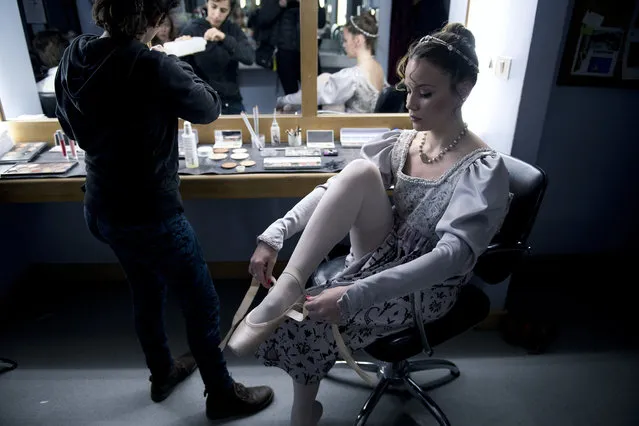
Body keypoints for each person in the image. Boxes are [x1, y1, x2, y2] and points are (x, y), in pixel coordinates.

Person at [228, 22, 511, 426]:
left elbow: (450, 259)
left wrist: (353, 295)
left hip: (426, 284)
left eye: (426, 94)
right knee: (359, 171)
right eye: (408, 89)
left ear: (462, 90)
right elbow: (336, 188)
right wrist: (276, 232)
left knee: (308, 321)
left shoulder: (482, 168)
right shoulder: (407, 140)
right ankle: (289, 283)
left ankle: (302, 412)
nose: (411, 103)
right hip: (384, 251)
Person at [54, 0, 273, 420]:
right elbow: (209, 108)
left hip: (100, 205)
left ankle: (161, 373)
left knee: (145, 290)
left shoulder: (75, 53)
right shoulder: (153, 65)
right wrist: (173, 61)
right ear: (156, 20)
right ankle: (222, 394)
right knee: (202, 303)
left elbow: (68, 122)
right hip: (150, 213)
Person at [276, 11, 386, 114]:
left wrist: (283, 100)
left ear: (358, 40)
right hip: (372, 128)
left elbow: (313, 95)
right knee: (325, 78)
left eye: (345, 40)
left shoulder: (352, 77)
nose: (344, 45)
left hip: (353, 131)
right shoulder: (379, 69)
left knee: (324, 82)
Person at [179, 0, 254, 114]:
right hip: (202, 100)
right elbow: (180, 69)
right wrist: (179, 48)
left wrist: (224, 38)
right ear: (207, 4)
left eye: (223, 10)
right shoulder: (192, 29)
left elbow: (249, 57)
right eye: (213, 7)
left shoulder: (233, 30)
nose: (217, 14)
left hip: (231, 100)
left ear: (229, 11)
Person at [256, 0, 326, 94]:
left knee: (316, 95)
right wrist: (280, 4)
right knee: (291, 97)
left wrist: (309, 4)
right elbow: (262, 19)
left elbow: (321, 22)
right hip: (285, 51)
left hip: (308, 51)